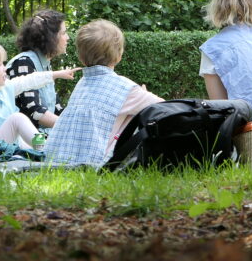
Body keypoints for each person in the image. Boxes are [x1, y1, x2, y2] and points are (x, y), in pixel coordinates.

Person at [45, 20, 163, 167]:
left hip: (58, 157)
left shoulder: (82, 84)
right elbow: (165, 109)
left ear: (81, 57)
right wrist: (143, 95)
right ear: (118, 55)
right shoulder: (125, 88)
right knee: (143, 114)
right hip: (96, 161)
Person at [0, 41, 78, 156]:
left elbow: (28, 80)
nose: (5, 68)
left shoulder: (1, 89)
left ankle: (51, 149)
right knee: (17, 118)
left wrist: (56, 74)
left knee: (26, 142)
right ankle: (48, 150)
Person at [4, 9, 69, 133]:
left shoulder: (43, 63)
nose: (67, 37)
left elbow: (56, 107)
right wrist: (69, 127)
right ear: (51, 37)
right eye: (63, 33)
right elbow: (34, 110)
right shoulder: (23, 62)